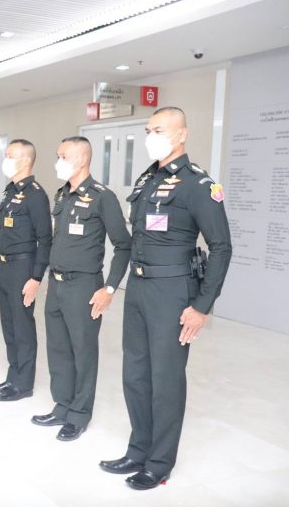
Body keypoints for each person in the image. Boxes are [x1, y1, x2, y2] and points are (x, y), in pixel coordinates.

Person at [100, 107, 232, 490]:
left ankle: (159, 463)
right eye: (148, 130)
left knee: (166, 379)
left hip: (173, 293)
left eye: (158, 130)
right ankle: (138, 450)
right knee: (135, 375)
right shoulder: (147, 180)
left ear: (182, 134)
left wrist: (202, 306)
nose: (150, 137)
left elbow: (221, 247)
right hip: (139, 288)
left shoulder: (198, 184)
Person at [31, 136, 131, 441]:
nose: (57, 161)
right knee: (58, 349)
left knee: (83, 351)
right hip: (57, 284)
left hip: (84, 287)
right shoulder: (62, 195)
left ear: (82, 159)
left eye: (63, 156)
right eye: (58, 155)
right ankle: (62, 405)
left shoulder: (102, 197)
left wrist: (109, 288)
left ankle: (79, 414)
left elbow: (124, 245)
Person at [0, 139, 51, 401]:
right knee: (8, 324)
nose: (5, 160)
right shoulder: (10, 191)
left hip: (23, 267)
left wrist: (36, 277)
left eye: (10, 156)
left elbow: (45, 239)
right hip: (4, 265)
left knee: (22, 326)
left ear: (26, 160)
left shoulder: (35, 194)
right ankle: (12, 377)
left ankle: (23, 384)